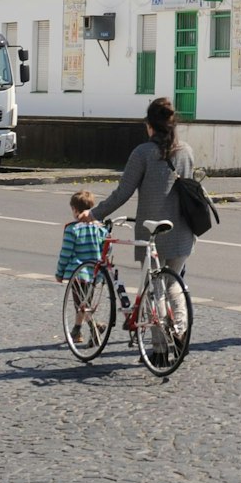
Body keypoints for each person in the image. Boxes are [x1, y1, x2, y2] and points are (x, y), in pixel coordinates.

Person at [80, 97, 199, 275]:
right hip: (183, 232)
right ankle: (181, 305)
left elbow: (123, 192)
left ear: (150, 125)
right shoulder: (186, 151)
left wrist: (94, 213)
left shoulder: (143, 153)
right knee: (174, 287)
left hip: (154, 235)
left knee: (155, 291)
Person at [57, 190, 110, 348]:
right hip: (94, 273)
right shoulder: (101, 229)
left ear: (74, 209)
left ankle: (95, 327)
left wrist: (60, 272)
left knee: (81, 303)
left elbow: (65, 253)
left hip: (78, 273)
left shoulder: (72, 229)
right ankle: (77, 331)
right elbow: (107, 249)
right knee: (83, 301)